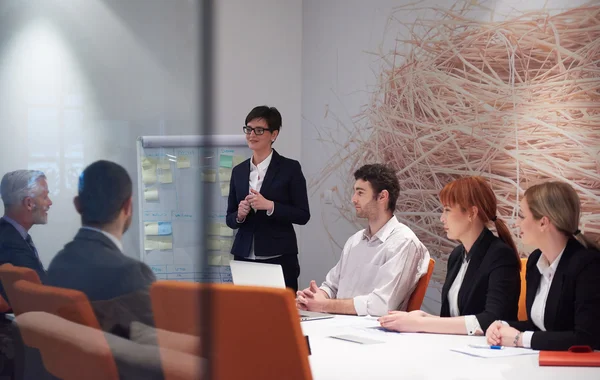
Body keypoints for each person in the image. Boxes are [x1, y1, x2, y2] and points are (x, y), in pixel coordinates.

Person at [378, 176, 521, 335]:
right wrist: (421, 317)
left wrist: (422, 322)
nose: (442, 218)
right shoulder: (457, 255)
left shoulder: (500, 255)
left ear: (471, 213)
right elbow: (450, 318)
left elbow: (493, 320)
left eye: (447, 210)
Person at [297, 164, 430, 317]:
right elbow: (331, 286)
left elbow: (381, 305)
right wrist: (316, 297)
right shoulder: (355, 241)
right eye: (355, 192)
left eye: (360, 193)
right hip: (337, 322)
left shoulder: (404, 242)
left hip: (375, 331)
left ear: (382, 197)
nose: (353, 199)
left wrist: (325, 305)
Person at [486, 181, 600, 351]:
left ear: (543, 223)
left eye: (522, 216)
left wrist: (519, 338)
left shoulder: (588, 265)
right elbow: (540, 326)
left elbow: (585, 338)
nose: (516, 223)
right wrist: (501, 326)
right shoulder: (535, 261)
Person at [46, 160, 156, 334]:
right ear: (128, 207)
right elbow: (160, 349)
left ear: (77, 205)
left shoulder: (57, 264)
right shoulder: (132, 274)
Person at [226, 105, 310, 292]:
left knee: (280, 315)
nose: (251, 135)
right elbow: (230, 218)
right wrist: (239, 215)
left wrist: (270, 206)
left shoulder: (290, 168)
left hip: (278, 256)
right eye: (248, 129)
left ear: (274, 134)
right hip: (244, 256)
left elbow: (303, 215)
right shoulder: (238, 171)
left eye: (259, 130)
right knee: (246, 313)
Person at [0, 170, 52, 303]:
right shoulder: (12, 245)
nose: (50, 203)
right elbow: (47, 294)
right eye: (45, 197)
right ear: (29, 203)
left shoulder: (7, 233)